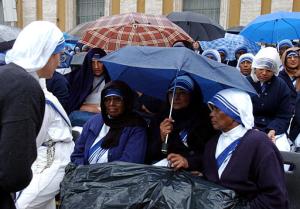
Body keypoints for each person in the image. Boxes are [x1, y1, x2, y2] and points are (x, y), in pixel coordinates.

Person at [0, 21, 63, 209]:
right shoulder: (24, 87)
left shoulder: (5, 75)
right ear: (45, 53)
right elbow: (13, 172)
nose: (59, 61)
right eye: (57, 54)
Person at [203, 88, 288, 209]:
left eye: (217, 109)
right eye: (212, 109)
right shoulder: (212, 143)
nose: (211, 114)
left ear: (234, 112)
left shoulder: (260, 143)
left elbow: (275, 197)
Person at [15, 79, 74, 209]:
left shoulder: (42, 100)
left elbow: (31, 142)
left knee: (20, 205)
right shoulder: (27, 96)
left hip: (53, 156)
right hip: (40, 154)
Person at [146, 75, 215, 171]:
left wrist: (188, 162)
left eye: (182, 92)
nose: (176, 97)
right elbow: (149, 154)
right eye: (172, 92)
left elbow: (211, 155)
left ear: (192, 95)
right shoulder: (160, 118)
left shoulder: (206, 119)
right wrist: (161, 137)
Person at [71, 80, 147, 165]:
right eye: (107, 100)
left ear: (126, 102)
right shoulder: (94, 121)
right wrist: (83, 171)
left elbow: (129, 164)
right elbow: (77, 155)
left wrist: (97, 175)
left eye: (117, 99)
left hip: (115, 177)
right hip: (84, 175)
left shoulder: (136, 127)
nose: (111, 104)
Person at [247, 47, 292, 151]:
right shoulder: (246, 83)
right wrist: (253, 129)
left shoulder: (281, 86)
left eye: (268, 70)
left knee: (281, 151)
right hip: (248, 128)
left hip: (274, 130)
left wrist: (273, 130)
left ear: (274, 71)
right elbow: (240, 111)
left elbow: (284, 115)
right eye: (261, 69)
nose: (264, 73)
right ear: (255, 68)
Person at [67, 48, 110, 126]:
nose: (96, 66)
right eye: (92, 63)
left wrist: (95, 109)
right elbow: (74, 104)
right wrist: (93, 108)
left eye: (100, 62)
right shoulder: (79, 78)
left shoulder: (110, 78)